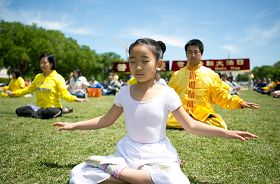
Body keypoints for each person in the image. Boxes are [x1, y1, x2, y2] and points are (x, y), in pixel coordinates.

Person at [53, 38, 257, 184]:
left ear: (158, 64)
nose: (138, 67)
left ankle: (118, 173)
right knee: (80, 174)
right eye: (133, 61)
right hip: (128, 151)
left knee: (175, 180)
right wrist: (74, 125)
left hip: (158, 152)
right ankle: (126, 173)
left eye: (144, 61)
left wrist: (228, 133)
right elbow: (105, 120)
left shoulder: (167, 94)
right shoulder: (124, 92)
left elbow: (192, 125)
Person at [167, 39, 259, 129]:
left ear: (201, 54)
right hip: (180, 116)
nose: (193, 55)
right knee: (164, 119)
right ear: (186, 54)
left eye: (196, 52)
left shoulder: (211, 75)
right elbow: (168, 96)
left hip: (203, 116)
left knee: (219, 124)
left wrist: (239, 103)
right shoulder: (176, 75)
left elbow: (220, 96)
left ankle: (192, 123)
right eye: (189, 52)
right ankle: (192, 124)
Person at [9, 53, 86, 119]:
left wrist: (75, 99)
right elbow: (28, 90)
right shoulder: (38, 77)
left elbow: (64, 94)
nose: (42, 65)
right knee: (19, 111)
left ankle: (57, 111)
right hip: (39, 107)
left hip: (52, 107)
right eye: (40, 63)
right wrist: (15, 93)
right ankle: (39, 113)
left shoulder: (58, 78)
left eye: (45, 63)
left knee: (52, 111)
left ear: (51, 64)